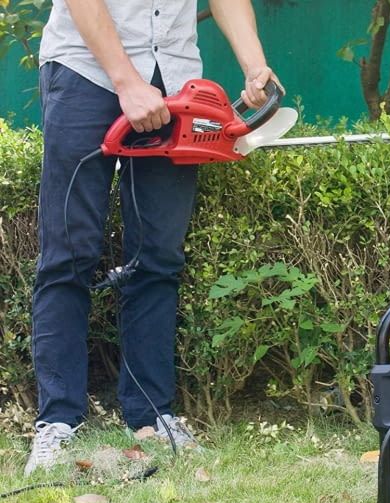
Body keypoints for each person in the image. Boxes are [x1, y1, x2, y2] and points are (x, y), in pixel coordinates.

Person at [26, 0, 283, 475]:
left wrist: (254, 65)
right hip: (84, 72)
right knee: (68, 253)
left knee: (159, 256)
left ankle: (151, 416)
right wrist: (127, 82)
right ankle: (57, 422)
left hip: (175, 78)